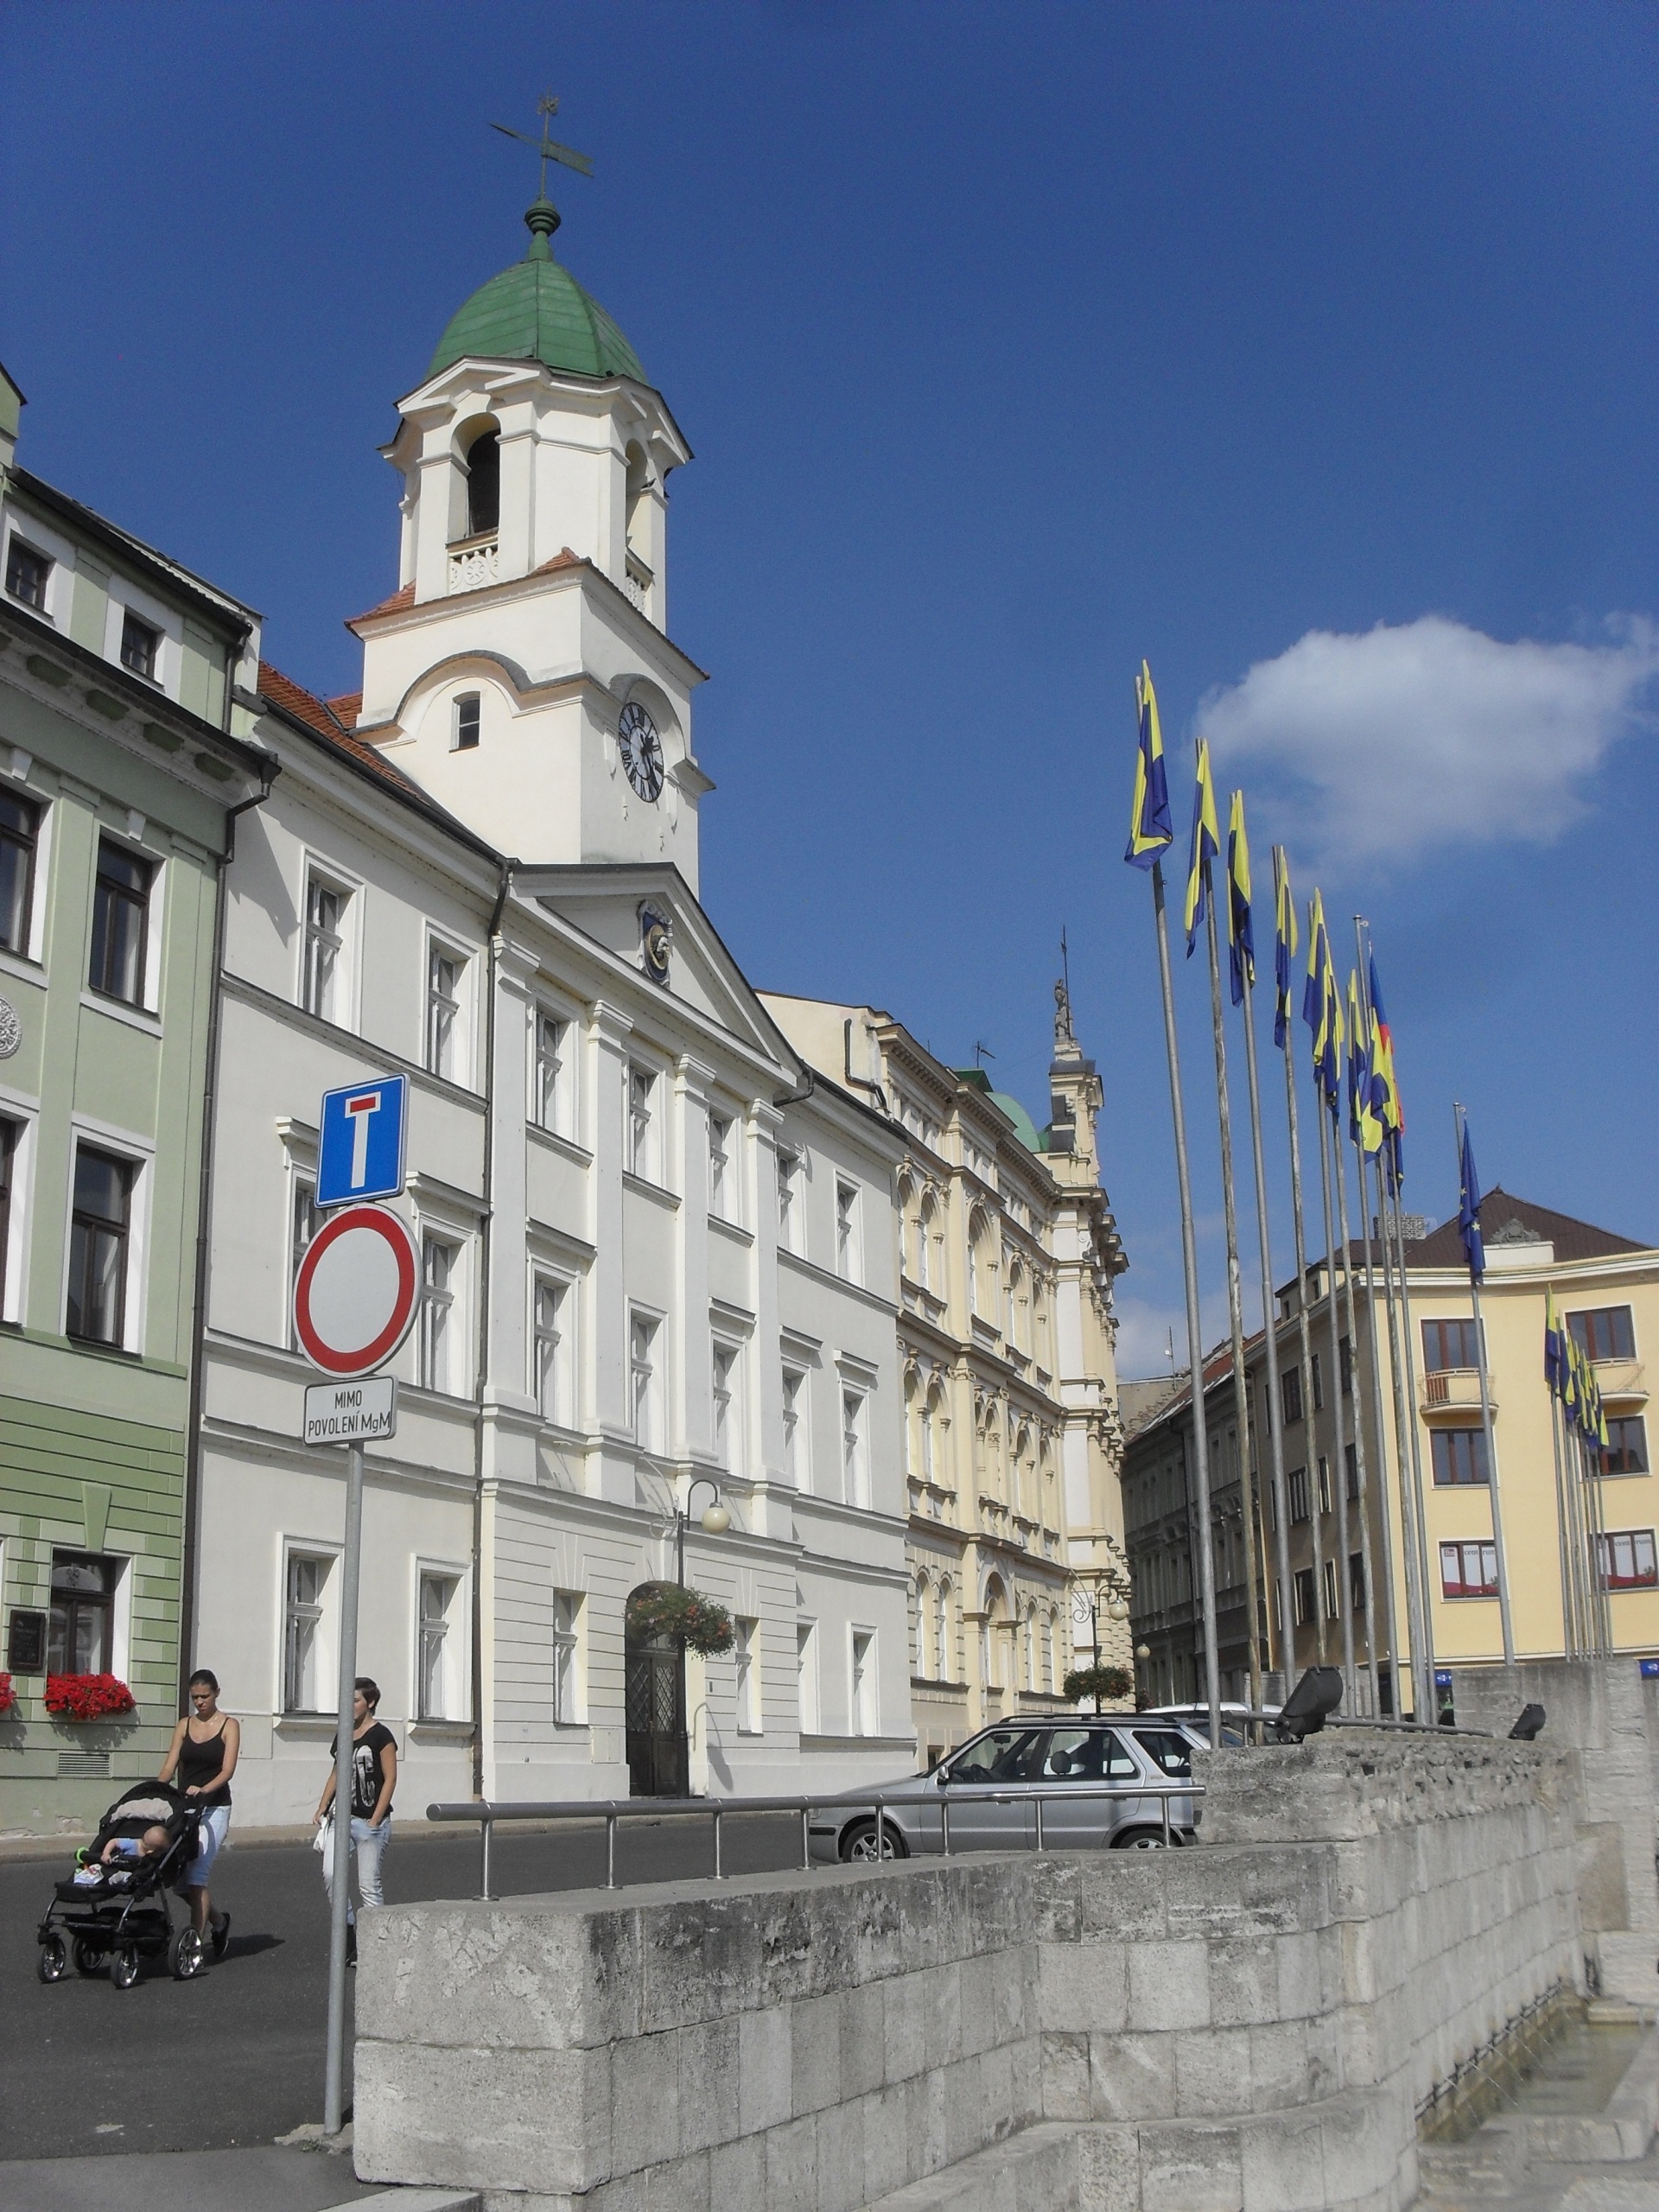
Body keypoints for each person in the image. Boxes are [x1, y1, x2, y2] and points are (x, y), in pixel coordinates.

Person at [313, 1676, 396, 1966]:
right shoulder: (344, 1733)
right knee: (331, 1875)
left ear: (370, 1703)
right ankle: (347, 1935)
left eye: (355, 1700)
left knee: (368, 1886)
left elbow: (390, 1779)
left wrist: (375, 1818)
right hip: (343, 1818)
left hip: (373, 1822)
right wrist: (322, 1806)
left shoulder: (381, 1736)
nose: (349, 1705)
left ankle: (377, 1946)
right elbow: (337, 1773)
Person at [157, 1668, 238, 1957]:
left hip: (214, 1807)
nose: (200, 1702)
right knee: (177, 1882)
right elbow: (170, 1766)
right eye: (195, 1697)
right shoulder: (184, 1725)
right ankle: (218, 1921)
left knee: (197, 1876)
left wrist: (204, 1789)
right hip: (186, 1807)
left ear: (216, 1693)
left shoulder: (229, 1725)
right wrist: (155, 1790)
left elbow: (227, 1770)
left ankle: (193, 1946)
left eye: (205, 1696)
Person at [73, 1825, 170, 1884]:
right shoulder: (133, 1844)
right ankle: (84, 1876)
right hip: (113, 1865)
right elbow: (114, 1841)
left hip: (127, 1872)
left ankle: (119, 1879)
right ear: (151, 1852)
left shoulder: (149, 1859)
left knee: (125, 1875)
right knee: (98, 1868)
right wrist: (106, 1853)